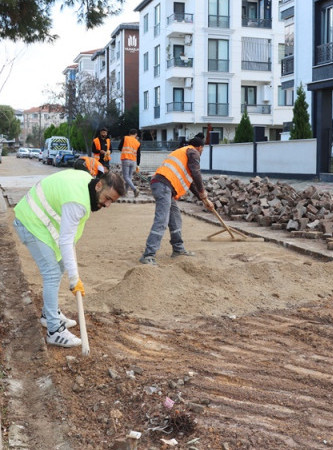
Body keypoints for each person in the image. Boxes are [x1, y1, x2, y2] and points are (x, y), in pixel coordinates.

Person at [14, 170, 126, 347]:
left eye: (112, 201)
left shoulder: (88, 186)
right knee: (51, 273)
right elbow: (66, 241)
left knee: (59, 266)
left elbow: (69, 238)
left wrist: (70, 270)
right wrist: (74, 280)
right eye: (107, 198)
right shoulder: (78, 202)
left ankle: (47, 314)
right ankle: (53, 331)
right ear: (98, 186)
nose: (108, 204)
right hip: (30, 222)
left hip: (40, 221)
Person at [139, 133, 214, 265]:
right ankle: (148, 255)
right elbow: (196, 173)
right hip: (164, 186)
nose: (202, 152)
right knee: (162, 219)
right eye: (202, 149)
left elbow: (190, 183)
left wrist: (203, 199)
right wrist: (203, 192)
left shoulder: (183, 153)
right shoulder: (193, 152)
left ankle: (178, 248)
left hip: (164, 186)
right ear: (200, 147)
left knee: (175, 217)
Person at [119, 129, 142, 197]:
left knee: (126, 177)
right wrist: (138, 164)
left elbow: (119, 148)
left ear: (129, 133)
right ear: (136, 134)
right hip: (133, 161)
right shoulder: (137, 142)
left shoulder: (125, 138)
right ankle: (125, 193)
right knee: (129, 177)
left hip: (126, 159)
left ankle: (134, 189)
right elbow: (138, 154)